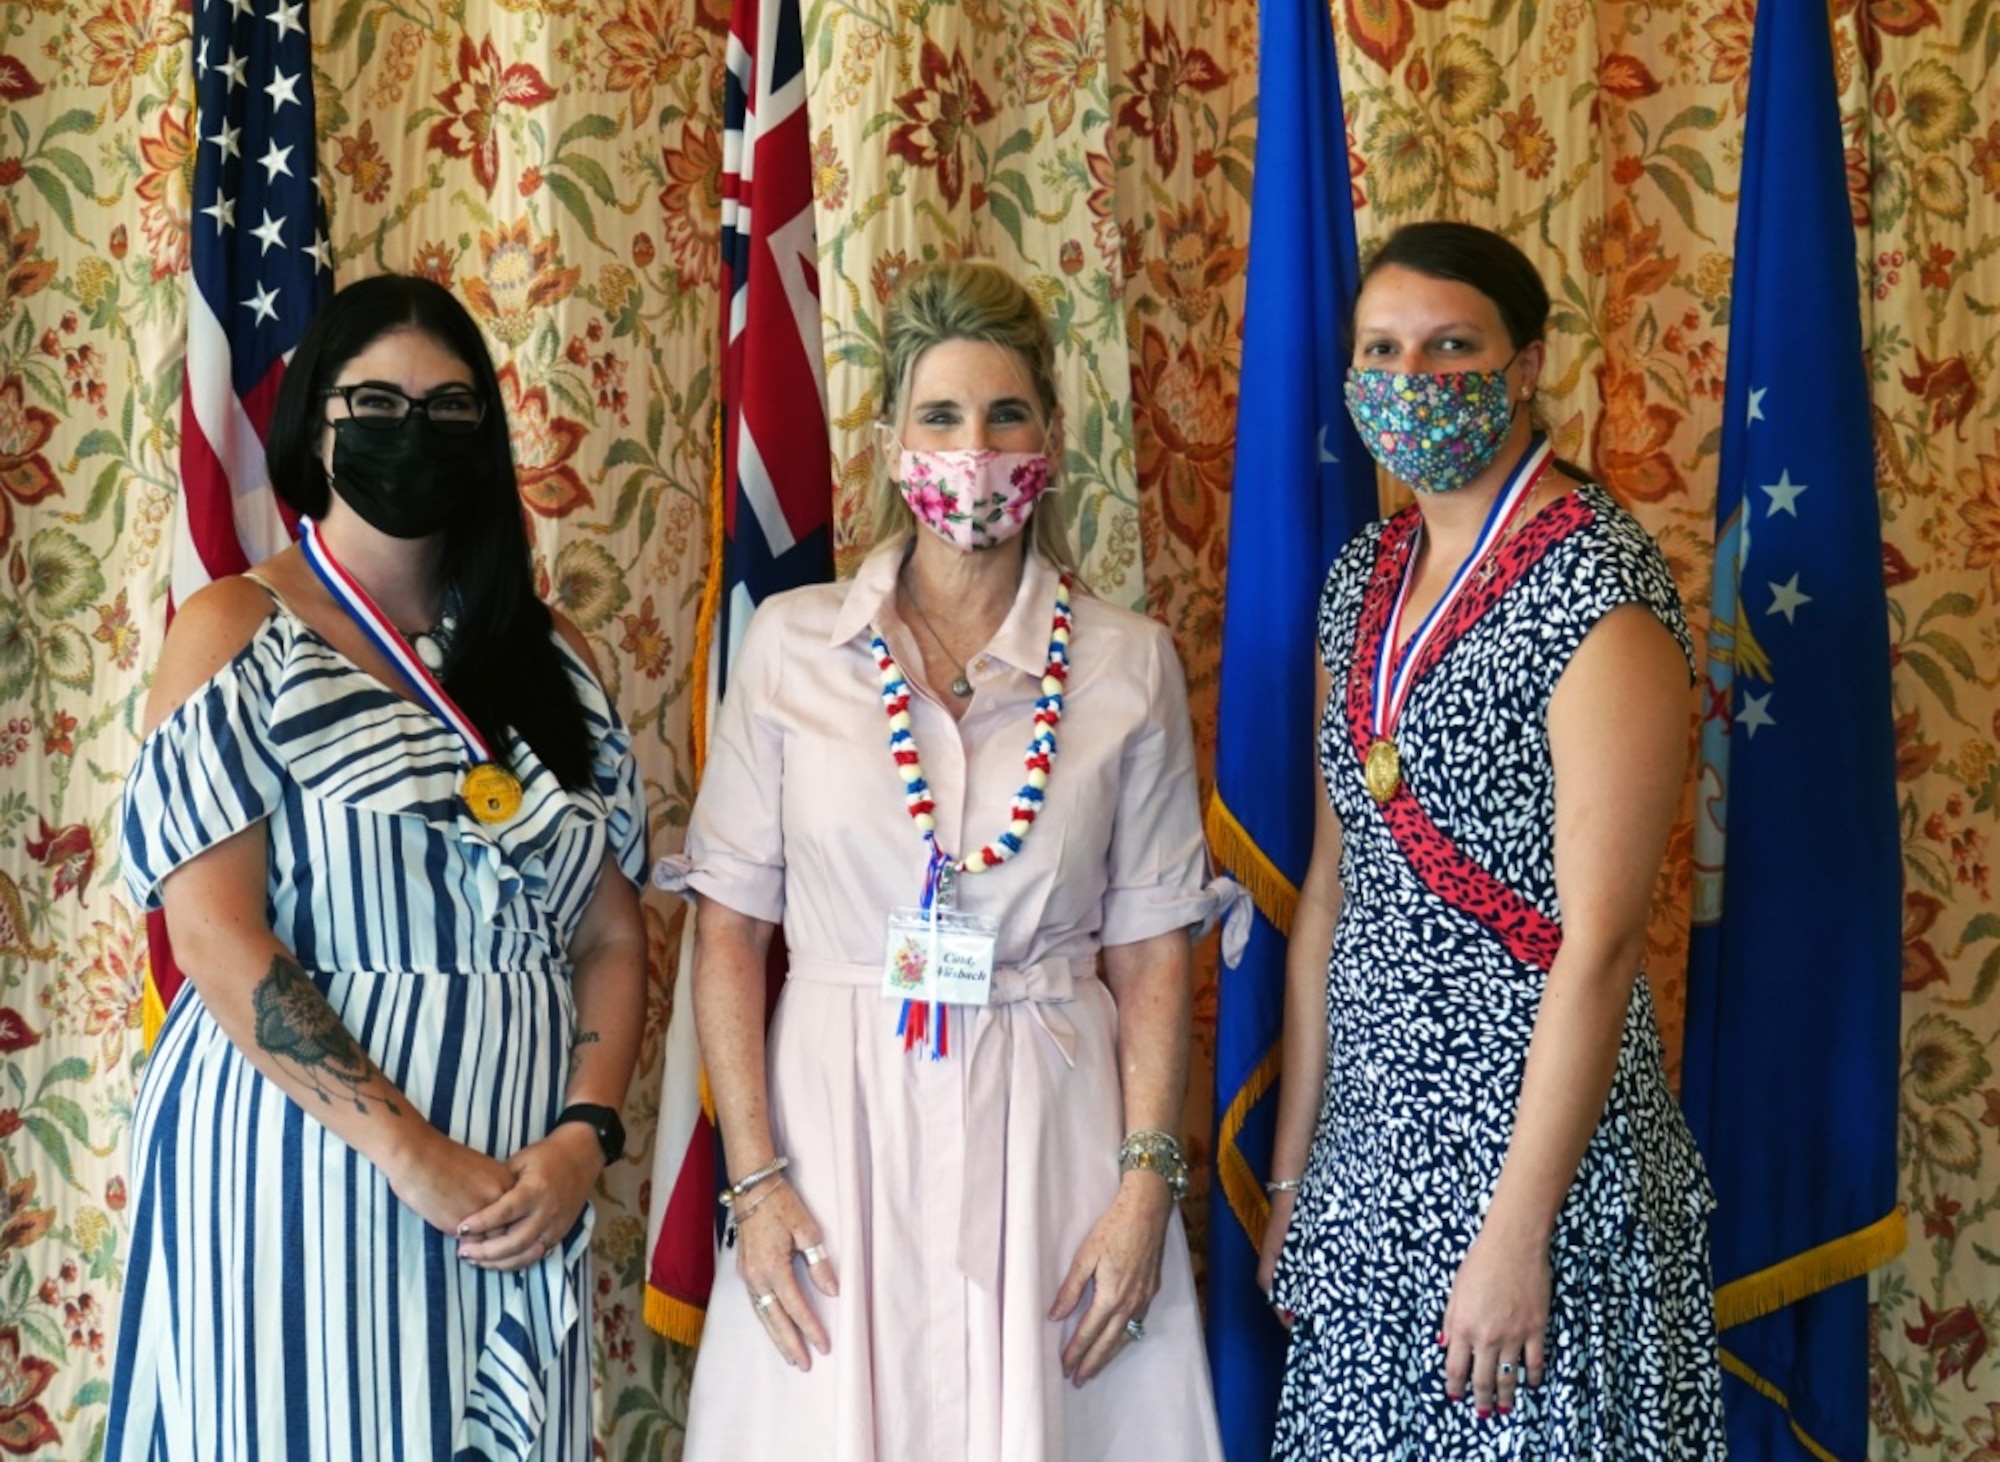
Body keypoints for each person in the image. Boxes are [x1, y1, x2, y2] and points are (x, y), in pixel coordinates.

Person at [663, 259, 1228, 1461]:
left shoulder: (1128, 666)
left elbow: (1151, 958)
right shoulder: (791, 645)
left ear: (1051, 439)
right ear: (889, 442)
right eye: (940, 417)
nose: (973, 449)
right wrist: (753, 1187)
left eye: (1004, 415)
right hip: (828, 1128)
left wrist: (1143, 1191)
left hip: (1055, 1133)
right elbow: (726, 933)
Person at [108, 276, 649, 1461]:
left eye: (449, 409)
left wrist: (580, 1138)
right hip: (302, 1164)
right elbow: (215, 938)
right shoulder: (235, 630)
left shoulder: (549, 655)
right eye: (375, 402)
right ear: (316, 423)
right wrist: (411, 1154)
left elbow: (611, 936)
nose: (411, 431)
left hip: (521, 1175)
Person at [1257, 223, 1725, 1458]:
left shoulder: (1600, 591)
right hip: (1370, 1160)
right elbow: (1329, 892)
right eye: (1382, 350)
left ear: (1523, 365)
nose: (1409, 381)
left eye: (1449, 346)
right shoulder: (1361, 575)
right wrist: (1298, 1178)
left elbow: (1601, 944)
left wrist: (1518, 1231)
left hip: (1533, 1168)